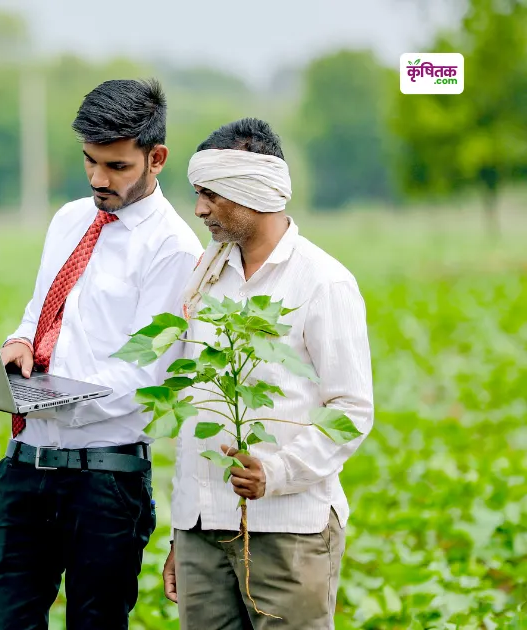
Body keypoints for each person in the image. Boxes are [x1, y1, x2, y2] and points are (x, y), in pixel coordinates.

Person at [0, 78, 202, 629]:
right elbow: (41, 313)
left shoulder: (173, 248)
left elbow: (143, 376)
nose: (98, 179)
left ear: (157, 159)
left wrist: (32, 398)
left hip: (104, 483)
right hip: (24, 467)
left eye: (116, 166)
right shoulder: (69, 219)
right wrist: (12, 353)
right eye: (89, 161)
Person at [164, 118, 375, 629]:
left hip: (289, 531)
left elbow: (351, 411)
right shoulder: (205, 277)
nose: (199, 210)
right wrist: (180, 533)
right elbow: (194, 407)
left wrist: (276, 473)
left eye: (212, 194)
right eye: (197, 194)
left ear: (254, 190)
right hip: (202, 531)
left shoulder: (322, 282)